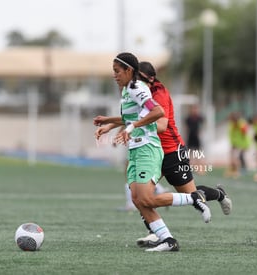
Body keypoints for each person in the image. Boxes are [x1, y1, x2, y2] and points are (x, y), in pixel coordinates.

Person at [94, 52, 211, 252]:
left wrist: (130, 128)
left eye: (117, 71)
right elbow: (133, 117)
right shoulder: (128, 90)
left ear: (129, 70)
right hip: (136, 149)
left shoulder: (137, 88)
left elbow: (158, 112)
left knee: (146, 198)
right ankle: (167, 240)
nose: (114, 75)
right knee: (138, 199)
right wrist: (109, 123)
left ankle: (194, 197)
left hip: (148, 148)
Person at [132, 61, 232, 247]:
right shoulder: (137, 93)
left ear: (149, 79)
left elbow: (161, 126)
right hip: (151, 152)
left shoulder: (158, 94)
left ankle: (219, 194)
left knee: (192, 195)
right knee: (139, 194)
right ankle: (155, 232)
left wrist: (135, 125)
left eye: (137, 79)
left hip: (171, 151)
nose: (134, 83)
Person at [226, 112, 251, 178]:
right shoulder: (232, 124)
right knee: (234, 157)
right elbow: (231, 134)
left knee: (238, 157)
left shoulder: (241, 123)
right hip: (235, 143)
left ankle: (239, 170)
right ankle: (234, 170)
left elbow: (245, 132)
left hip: (242, 143)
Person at [184, 104, 205, 173]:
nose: (194, 110)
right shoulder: (188, 118)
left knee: (198, 153)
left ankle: (199, 168)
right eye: (193, 109)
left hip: (196, 137)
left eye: (195, 109)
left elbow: (203, 124)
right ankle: (190, 167)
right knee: (190, 153)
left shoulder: (199, 118)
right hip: (190, 137)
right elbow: (186, 128)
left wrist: (200, 132)